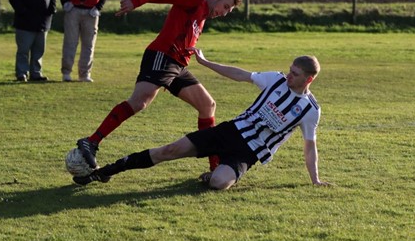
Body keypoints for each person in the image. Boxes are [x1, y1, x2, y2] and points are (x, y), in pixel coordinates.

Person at [73, 52, 332, 190]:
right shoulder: (275, 79)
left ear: (308, 79)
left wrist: (315, 180)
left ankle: (211, 176)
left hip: (247, 152)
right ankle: (105, 173)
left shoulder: (309, 110)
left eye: (295, 74)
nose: (288, 75)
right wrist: (206, 62)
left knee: (219, 183)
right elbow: (240, 74)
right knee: (169, 151)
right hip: (229, 131)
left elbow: (310, 147)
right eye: (289, 69)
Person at [75, 0, 243, 173]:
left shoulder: (203, 16)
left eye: (229, 10)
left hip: (177, 65)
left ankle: (215, 167)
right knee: (139, 102)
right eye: (226, 6)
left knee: (207, 105)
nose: (225, 13)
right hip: (161, 56)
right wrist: (136, 1)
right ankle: (91, 142)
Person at [8, 0, 56, 82]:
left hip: (42, 20)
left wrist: (51, 10)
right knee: (23, 50)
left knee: (39, 50)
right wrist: (23, 11)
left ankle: (36, 73)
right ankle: (22, 73)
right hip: (25, 21)